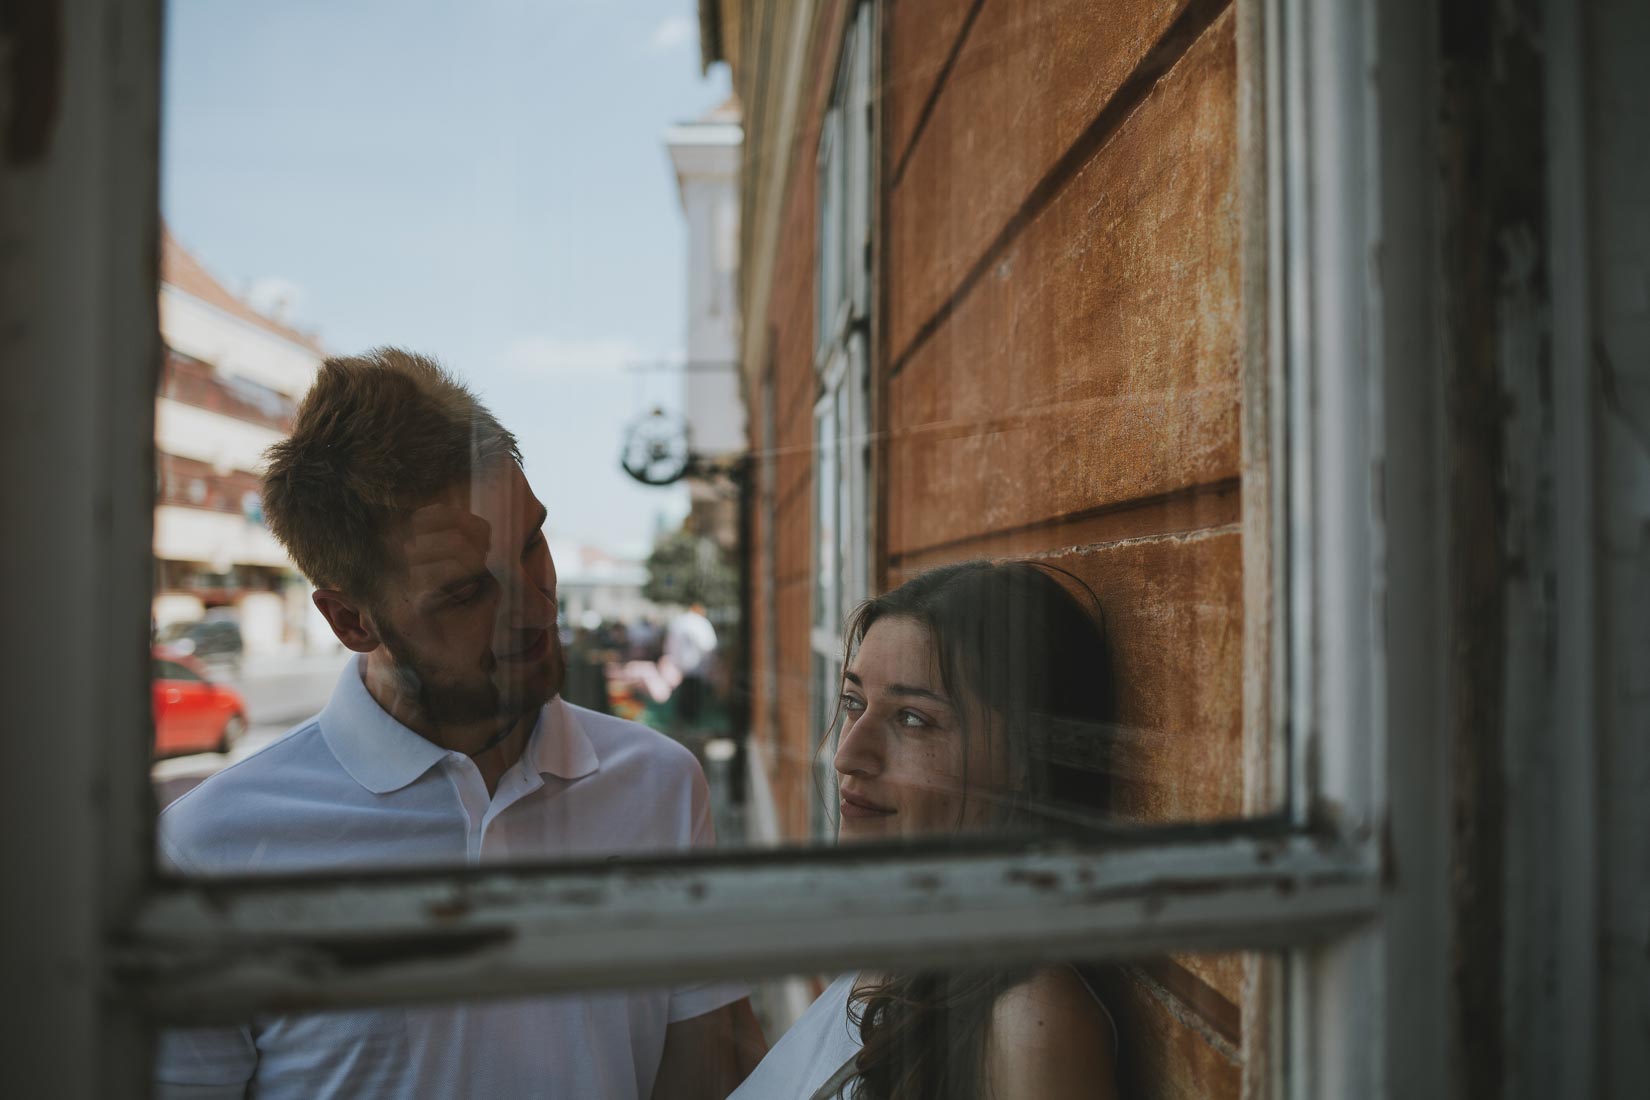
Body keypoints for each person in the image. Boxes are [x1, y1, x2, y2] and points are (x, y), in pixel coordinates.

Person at [155, 349, 763, 1099]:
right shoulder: (211, 851)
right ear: (350, 621)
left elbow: (714, 1080)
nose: (536, 608)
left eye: (532, 544)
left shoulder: (657, 784)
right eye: (469, 592)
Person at [729, 560, 1120, 1100]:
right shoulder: (897, 950)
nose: (847, 756)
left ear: (1027, 760)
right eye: (853, 703)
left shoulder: (1027, 1020)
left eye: (912, 718)